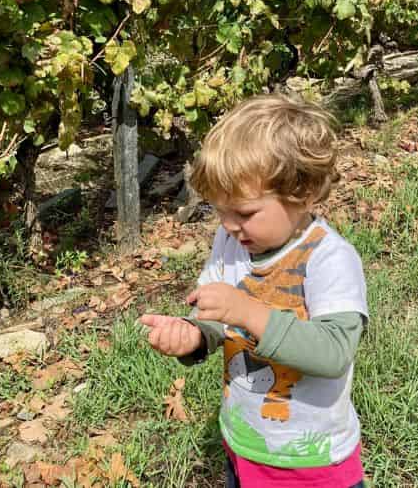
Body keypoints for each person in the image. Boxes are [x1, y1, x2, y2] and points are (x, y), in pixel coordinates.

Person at [139, 93, 369, 487]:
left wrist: (247, 312)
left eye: (243, 213)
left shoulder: (329, 258)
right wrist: (192, 335)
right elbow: (216, 315)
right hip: (246, 442)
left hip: (311, 461)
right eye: (219, 210)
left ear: (304, 192)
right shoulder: (231, 243)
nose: (228, 224)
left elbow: (334, 353)